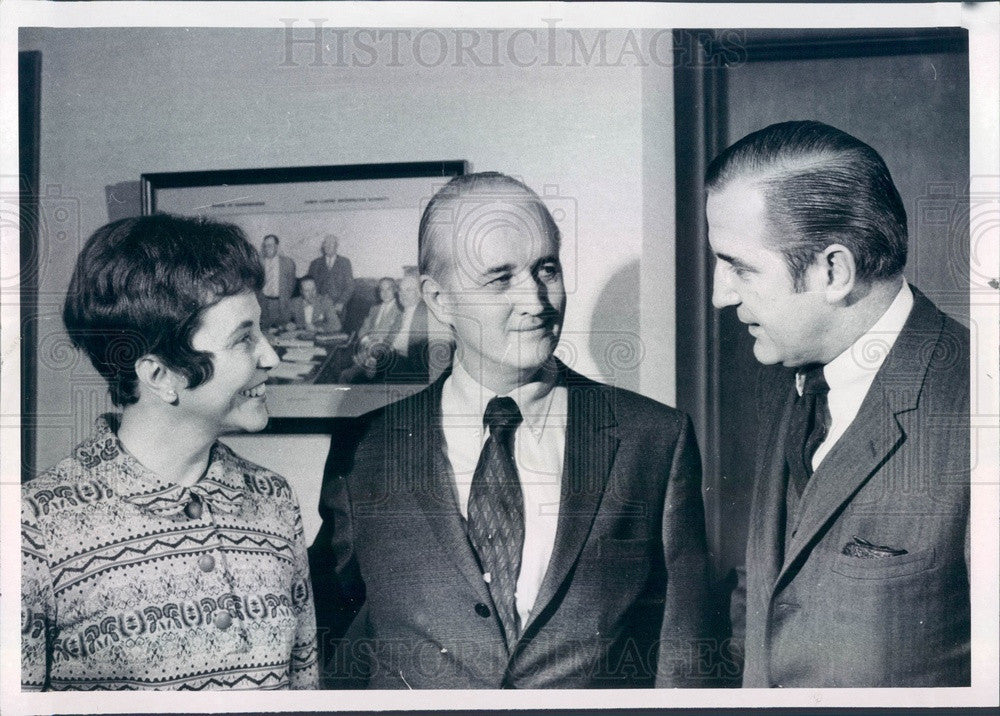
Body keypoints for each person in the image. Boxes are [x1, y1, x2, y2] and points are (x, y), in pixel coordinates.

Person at [310, 172, 710, 688]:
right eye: (500, 279)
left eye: (546, 269)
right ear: (439, 298)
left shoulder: (654, 439)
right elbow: (320, 635)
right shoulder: (368, 448)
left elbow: (685, 657)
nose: (537, 301)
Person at [706, 121, 969, 687]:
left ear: (833, 270)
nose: (719, 294)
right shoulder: (795, 380)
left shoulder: (979, 408)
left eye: (740, 267)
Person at [21, 214, 318, 690]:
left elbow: (305, 690)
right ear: (160, 375)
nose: (271, 358)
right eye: (244, 339)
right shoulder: (32, 526)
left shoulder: (273, 499)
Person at [307, 234, 354, 319]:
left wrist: (341, 302)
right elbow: (308, 286)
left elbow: (350, 286)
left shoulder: (345, 262)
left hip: (337, 307)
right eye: (325, 244)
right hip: (318, 306)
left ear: (336, 246)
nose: (328, 246)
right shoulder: (315, 263)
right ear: (323, 246)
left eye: (331, 244)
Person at [257, 233, 297, 330]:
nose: (268, 248)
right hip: (264, 304)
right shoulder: (258, 263)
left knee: (283, 331)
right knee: (264, 331)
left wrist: (284, 297)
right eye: (265, 245)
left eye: (271, 245)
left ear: (277, 247)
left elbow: (291, 285)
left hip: (282, 303)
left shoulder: (288, 263)